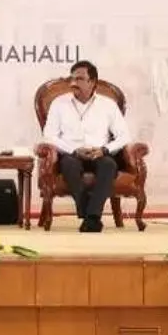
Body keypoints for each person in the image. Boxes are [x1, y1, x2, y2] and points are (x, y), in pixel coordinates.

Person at [42, 60, 131, 233]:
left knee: (109, 165)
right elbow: (49, 135)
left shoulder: (108, 105)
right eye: (72, 79)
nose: (73, 83)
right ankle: (91, 216)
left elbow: (124, 136)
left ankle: (91, 217)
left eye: (80, 79)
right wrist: (74, 150)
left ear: (92, 82)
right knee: (70, 165)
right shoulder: (59, 103)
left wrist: (104, 150)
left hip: (100, 153)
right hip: (71, 154)